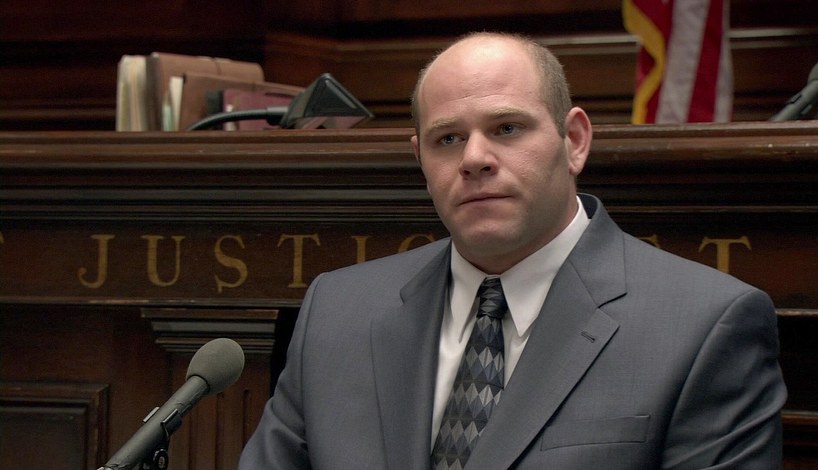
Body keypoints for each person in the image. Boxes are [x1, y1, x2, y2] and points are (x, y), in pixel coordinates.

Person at [239, 32, 786, 469]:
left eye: (506, 128)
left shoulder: (703, 326)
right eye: (448, 138)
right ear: (420, 160)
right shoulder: (338, 312)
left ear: (574, 141)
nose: (474, 158)